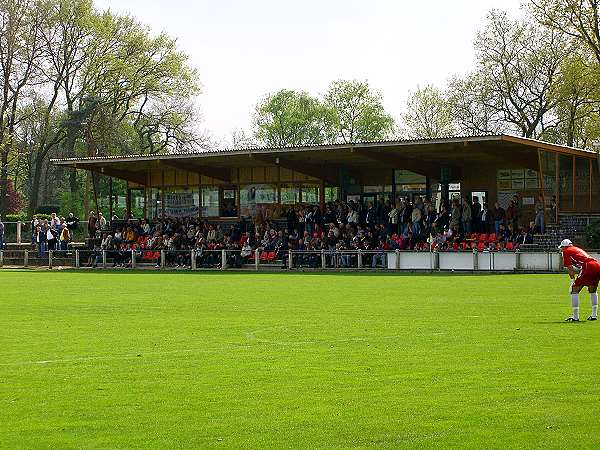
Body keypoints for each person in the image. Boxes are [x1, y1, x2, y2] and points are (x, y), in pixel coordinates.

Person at [559, 239, 600, 322]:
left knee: (574, 290)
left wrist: (572, 282)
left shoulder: (566, 251)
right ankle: (594, 315)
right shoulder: (576, 248)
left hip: (588, 266)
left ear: (564, 246)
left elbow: (570, 268)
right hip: (597, 265)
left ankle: (575, 317)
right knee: (592, 290)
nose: (561, 250)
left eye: (562, 248)